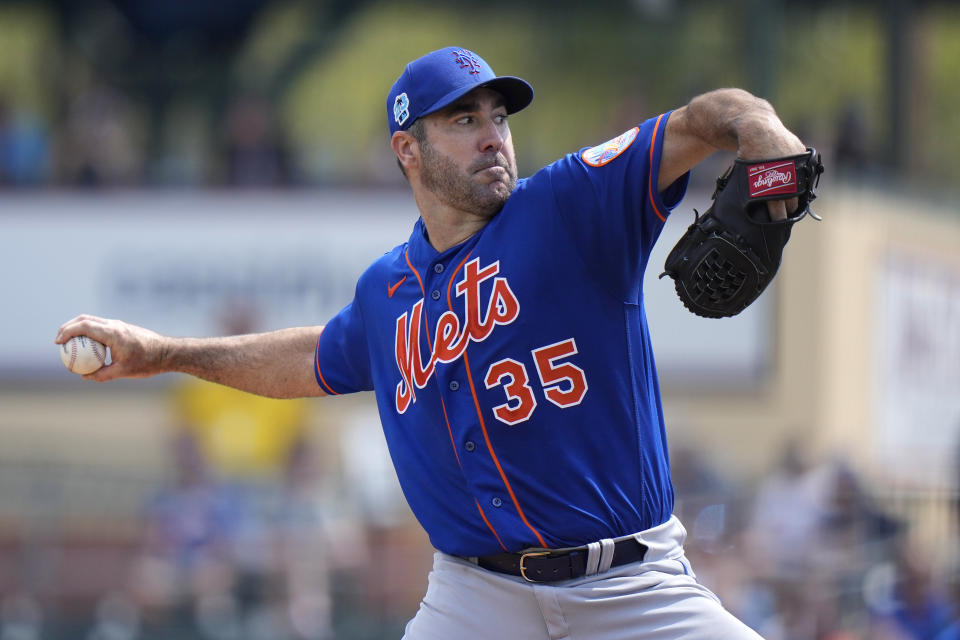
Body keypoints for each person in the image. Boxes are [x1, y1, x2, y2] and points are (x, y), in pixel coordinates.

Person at [57, 46, 810, 639]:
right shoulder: (388, 293)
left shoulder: (571, 203)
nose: (493, 137)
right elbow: (309, 358)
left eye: (498, 117)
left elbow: (711, 117)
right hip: (477, 598)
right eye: (463, 121)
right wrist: (162, 354)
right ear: (407, 150)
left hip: (630, 587)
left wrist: (764, 135)